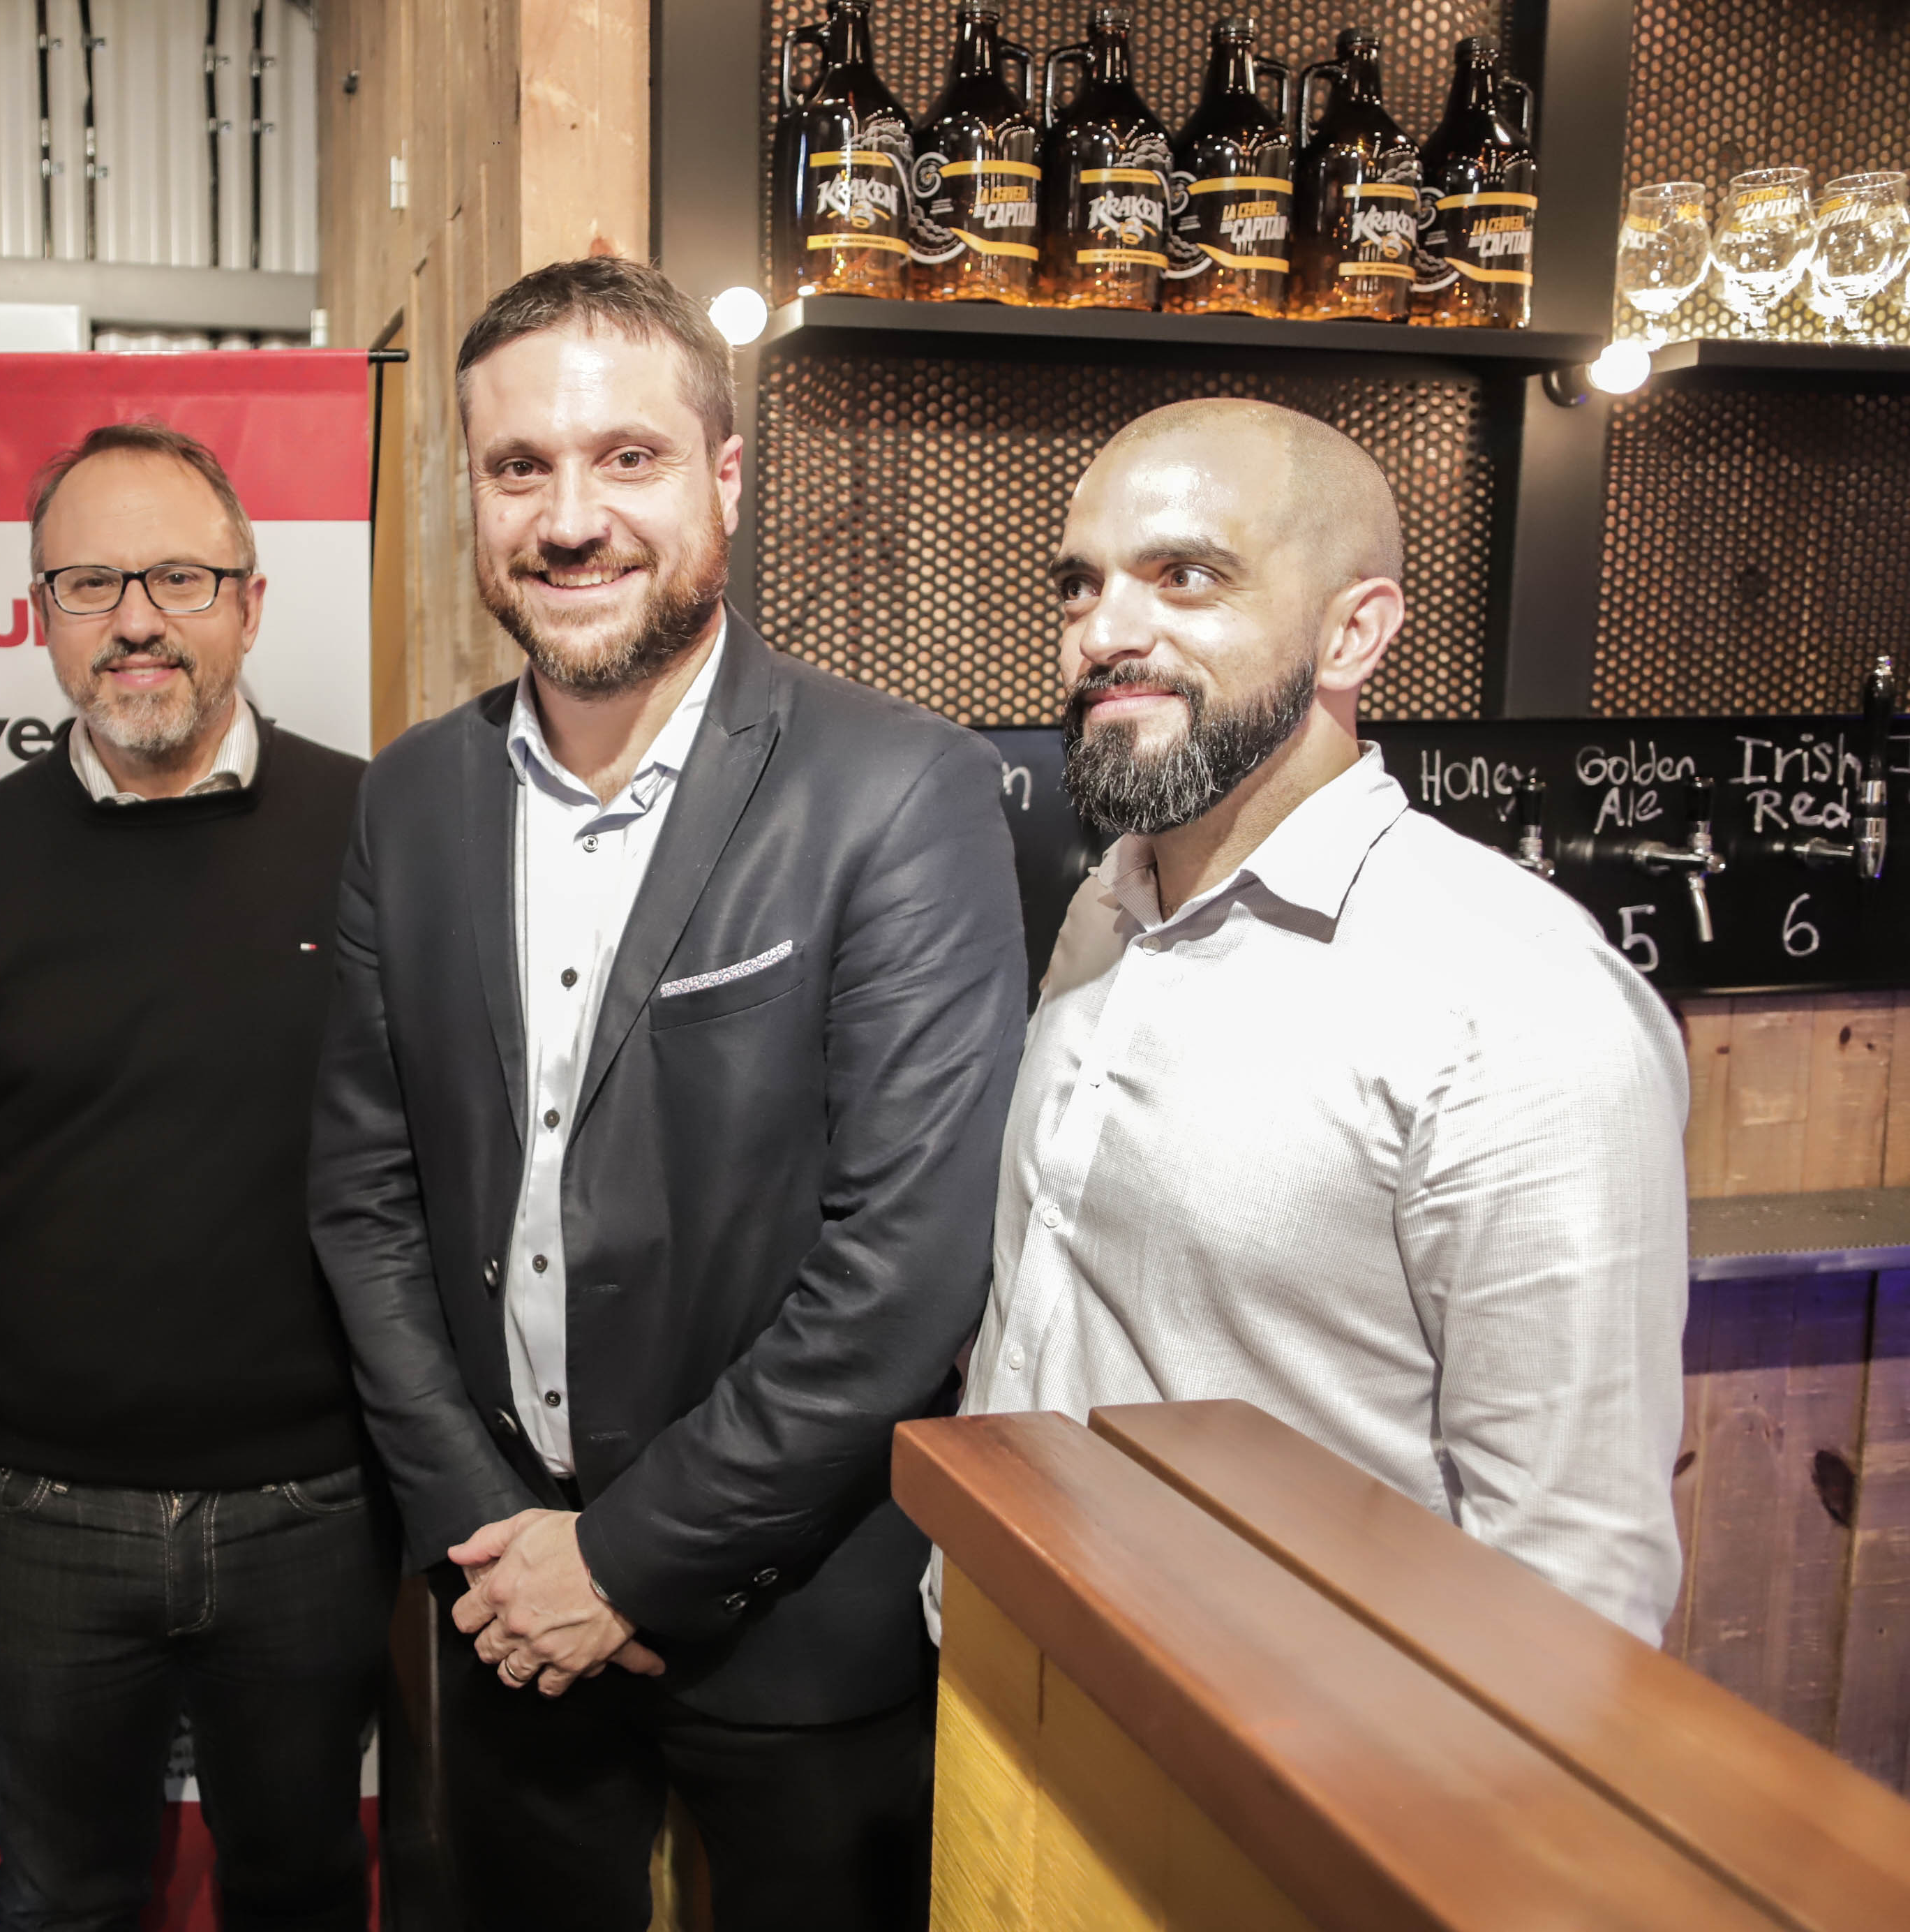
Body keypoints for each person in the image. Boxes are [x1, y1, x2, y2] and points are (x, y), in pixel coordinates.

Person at [308, 256, 1029, 1932]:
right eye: (519, 467)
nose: (569, 519)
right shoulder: (410, 798)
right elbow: (363, 1194)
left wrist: (623, 1561)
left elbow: (906, 1265)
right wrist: (491, 1536)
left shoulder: (897, 789)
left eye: (625, 457)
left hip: (795, 1617)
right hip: (501, 1610)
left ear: (722, 476)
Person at [958, 397, 1687, 1639]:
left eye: (1186, 577)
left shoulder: (1519, 1005)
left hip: (1262, 1737)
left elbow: (1575, 1582)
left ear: (1354, 633)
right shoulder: (1110, 904)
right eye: (1080, 587)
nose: (1103, 633)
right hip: (999, 1666)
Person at [0, 422, 387, 1931]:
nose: (136, 620)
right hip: (38, 1520)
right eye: (90, 583)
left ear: (250, 601)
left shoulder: (380, 831)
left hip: (318, 1506)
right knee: (65, 1899)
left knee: (305, 1887)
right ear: (40, 614)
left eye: (178, 576)